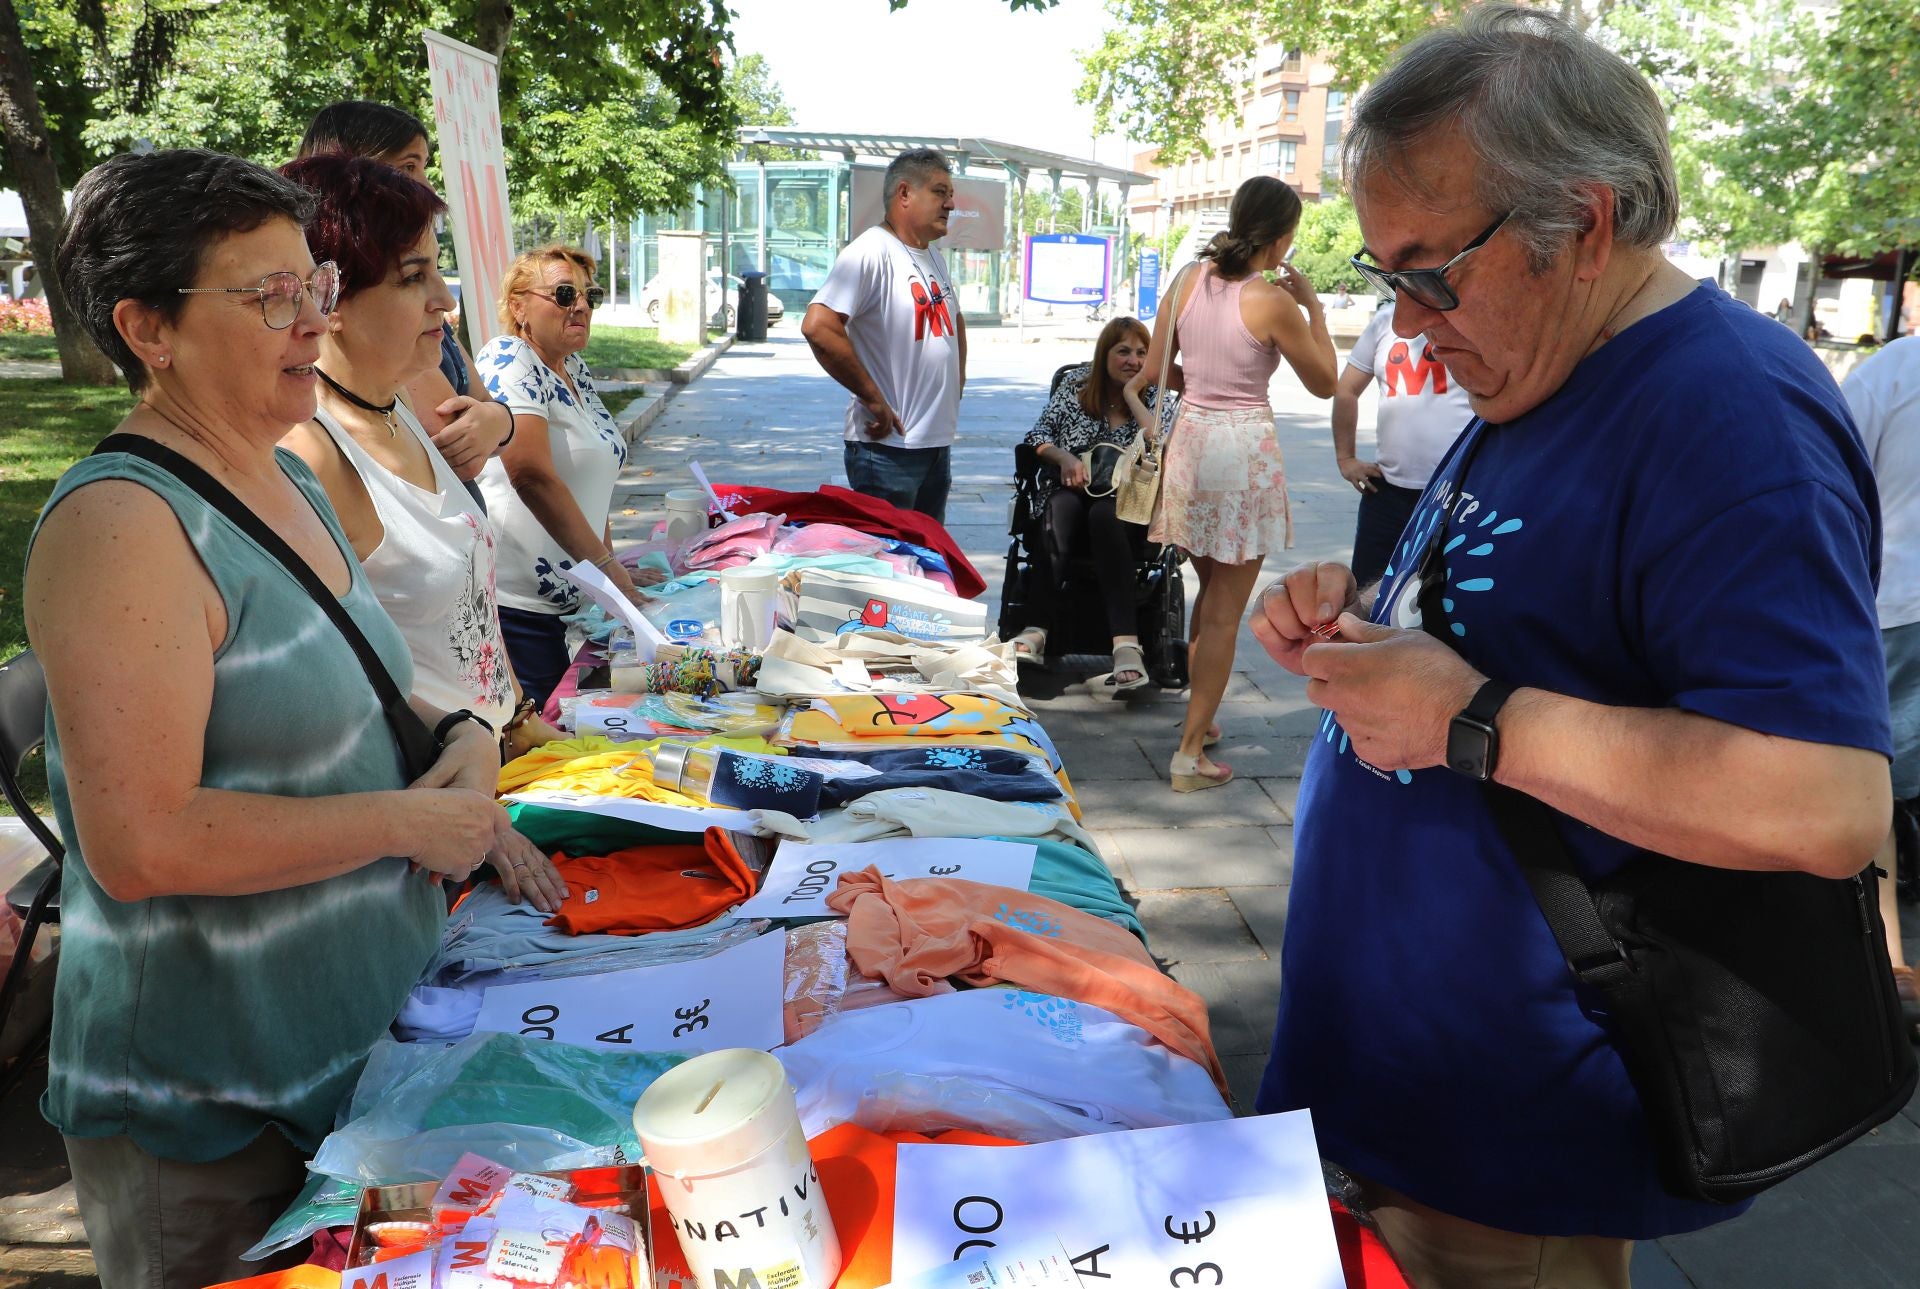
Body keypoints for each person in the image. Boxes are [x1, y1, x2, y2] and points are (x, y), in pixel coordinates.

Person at [1250, 9, 1891, 1286]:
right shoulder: (1542, 362)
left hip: (1511, 1138)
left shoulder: (1730, 414)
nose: (1413, 321)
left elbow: (1827, 802)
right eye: (1387, 279)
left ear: (1586, 223)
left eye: (1433, 271)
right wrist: (1366, 619)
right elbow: (1527, 619)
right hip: (1410, 1091)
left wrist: (1467, 717)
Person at [32, 148, 508, 1286]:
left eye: (317, 288)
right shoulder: (122, 525)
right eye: (271, 297)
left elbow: (385, 678)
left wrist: (470, 736)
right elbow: (142, 842)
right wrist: (405, 823)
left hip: (343, 1058)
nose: (310, 323)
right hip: (209, 1106)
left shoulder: (278, 474)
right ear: (149, 328)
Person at [275, 153, 568, 911]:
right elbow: (339, 689)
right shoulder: (309, 454)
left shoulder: (400, 392)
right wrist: (476, 816)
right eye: (413, 279)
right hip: (437, 839)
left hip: (504, 768)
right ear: (329, 298)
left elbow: (498, 420)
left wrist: (519, 725)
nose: (445, 300)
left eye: (437, 271)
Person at [1123, 175, 1337, 791]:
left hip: (1191, 445)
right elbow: (1325, 380)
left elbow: (1162, 368)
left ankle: (1202, 719)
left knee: (1207, 592)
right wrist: (1314, 309)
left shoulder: (1187, 281)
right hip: (1242, 451)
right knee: (1222, 614)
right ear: (1282, 237)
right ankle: (1190, 755)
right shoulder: (1270, 302)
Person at [295, 100, 515, 499]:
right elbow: (453, 432)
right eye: (409, 166)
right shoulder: (311, 455)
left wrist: (498, 420)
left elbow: (484, 413)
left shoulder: (392, 389)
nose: (447, 302)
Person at [480, 244, 654, 707]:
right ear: (518, 306)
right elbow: (531, 475)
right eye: (562, 293)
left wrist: (616, 585)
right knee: (541, 751)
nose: (580, 305)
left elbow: (590, 487)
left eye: (588, 295)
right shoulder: (509, 358)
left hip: (571, 606)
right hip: (516, 609)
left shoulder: (573, 367)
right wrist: (608, 571)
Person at [802, 147, 967, 523]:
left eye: (951, 194)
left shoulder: (933, 255)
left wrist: (956, 382)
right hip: (888, 452)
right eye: (940, 192)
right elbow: (818, 326)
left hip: (933, 446)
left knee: (926, 567)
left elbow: (955, 320)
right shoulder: (870, 251)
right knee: (890, 572)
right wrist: (873, 398)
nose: (951, 204)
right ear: (904, 194)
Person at [1012, 317, 1176, 689]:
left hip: (1127, 506)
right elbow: (1038, 434)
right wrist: (1064, 458)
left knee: (1106, 514)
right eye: (1123, 351)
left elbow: (1162, 444)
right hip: (1070, 489)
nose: (1133, 360)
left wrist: (1134, 395)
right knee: (1059, 509)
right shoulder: (1075, 386)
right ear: (1105, 354)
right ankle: (1036, 629)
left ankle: (1126, 644)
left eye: (1141, 353)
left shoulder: (1156, 395)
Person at [1842, 334, 1920, 1031]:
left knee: (1876, 786)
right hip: (1897, 605)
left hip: (1896, 605)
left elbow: (1829, 460)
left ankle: (1890, 959)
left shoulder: (1898, 369)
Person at [1332, 300, 1474, 586]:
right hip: (1387, 490)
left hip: (1459, 490)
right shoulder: (1385, 322)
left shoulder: (1471, 317)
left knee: (1451, 590)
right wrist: (1346, 458)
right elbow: (1346, 389)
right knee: (1367, 589)